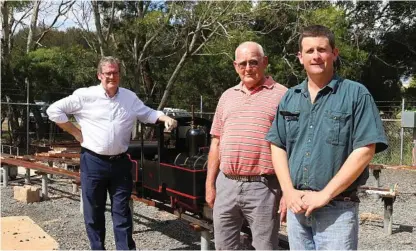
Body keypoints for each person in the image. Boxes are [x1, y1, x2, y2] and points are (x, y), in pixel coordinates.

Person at [266, 25, 388, 250]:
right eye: (309, 51)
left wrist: (325, 195)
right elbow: (277, 145)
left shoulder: (355, 94)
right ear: (300, 57)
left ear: (334, 53)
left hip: (337, 210)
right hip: (298, 209)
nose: (316, 56)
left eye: (322, 49)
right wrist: (288, 191)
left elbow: (365, 149)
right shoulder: (289, 98)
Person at [46, 56, 177, 250]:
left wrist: (164, 117)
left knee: (122, 212)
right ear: (99, 75)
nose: (112, 76)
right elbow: (54, 110)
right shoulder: (85, 96)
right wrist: (75, 133)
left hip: (120, 164)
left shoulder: (129, 97)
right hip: (93, 162)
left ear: (119, 75)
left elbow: (147, 113)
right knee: (94, 213)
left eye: (115, 72)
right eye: (108, 73)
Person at [205, 41, 288, 250]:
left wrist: (288, 191)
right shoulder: (227, 96)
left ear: (265, 62)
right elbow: (216, 142)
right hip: (226, 184)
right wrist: (210, 185)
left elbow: (292, 145)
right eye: (242, 63)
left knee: (265, 246)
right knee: (224, 246)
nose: (248, 68)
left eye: (253, 62)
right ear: (235, 66)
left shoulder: (283, 96)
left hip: (264, 187)